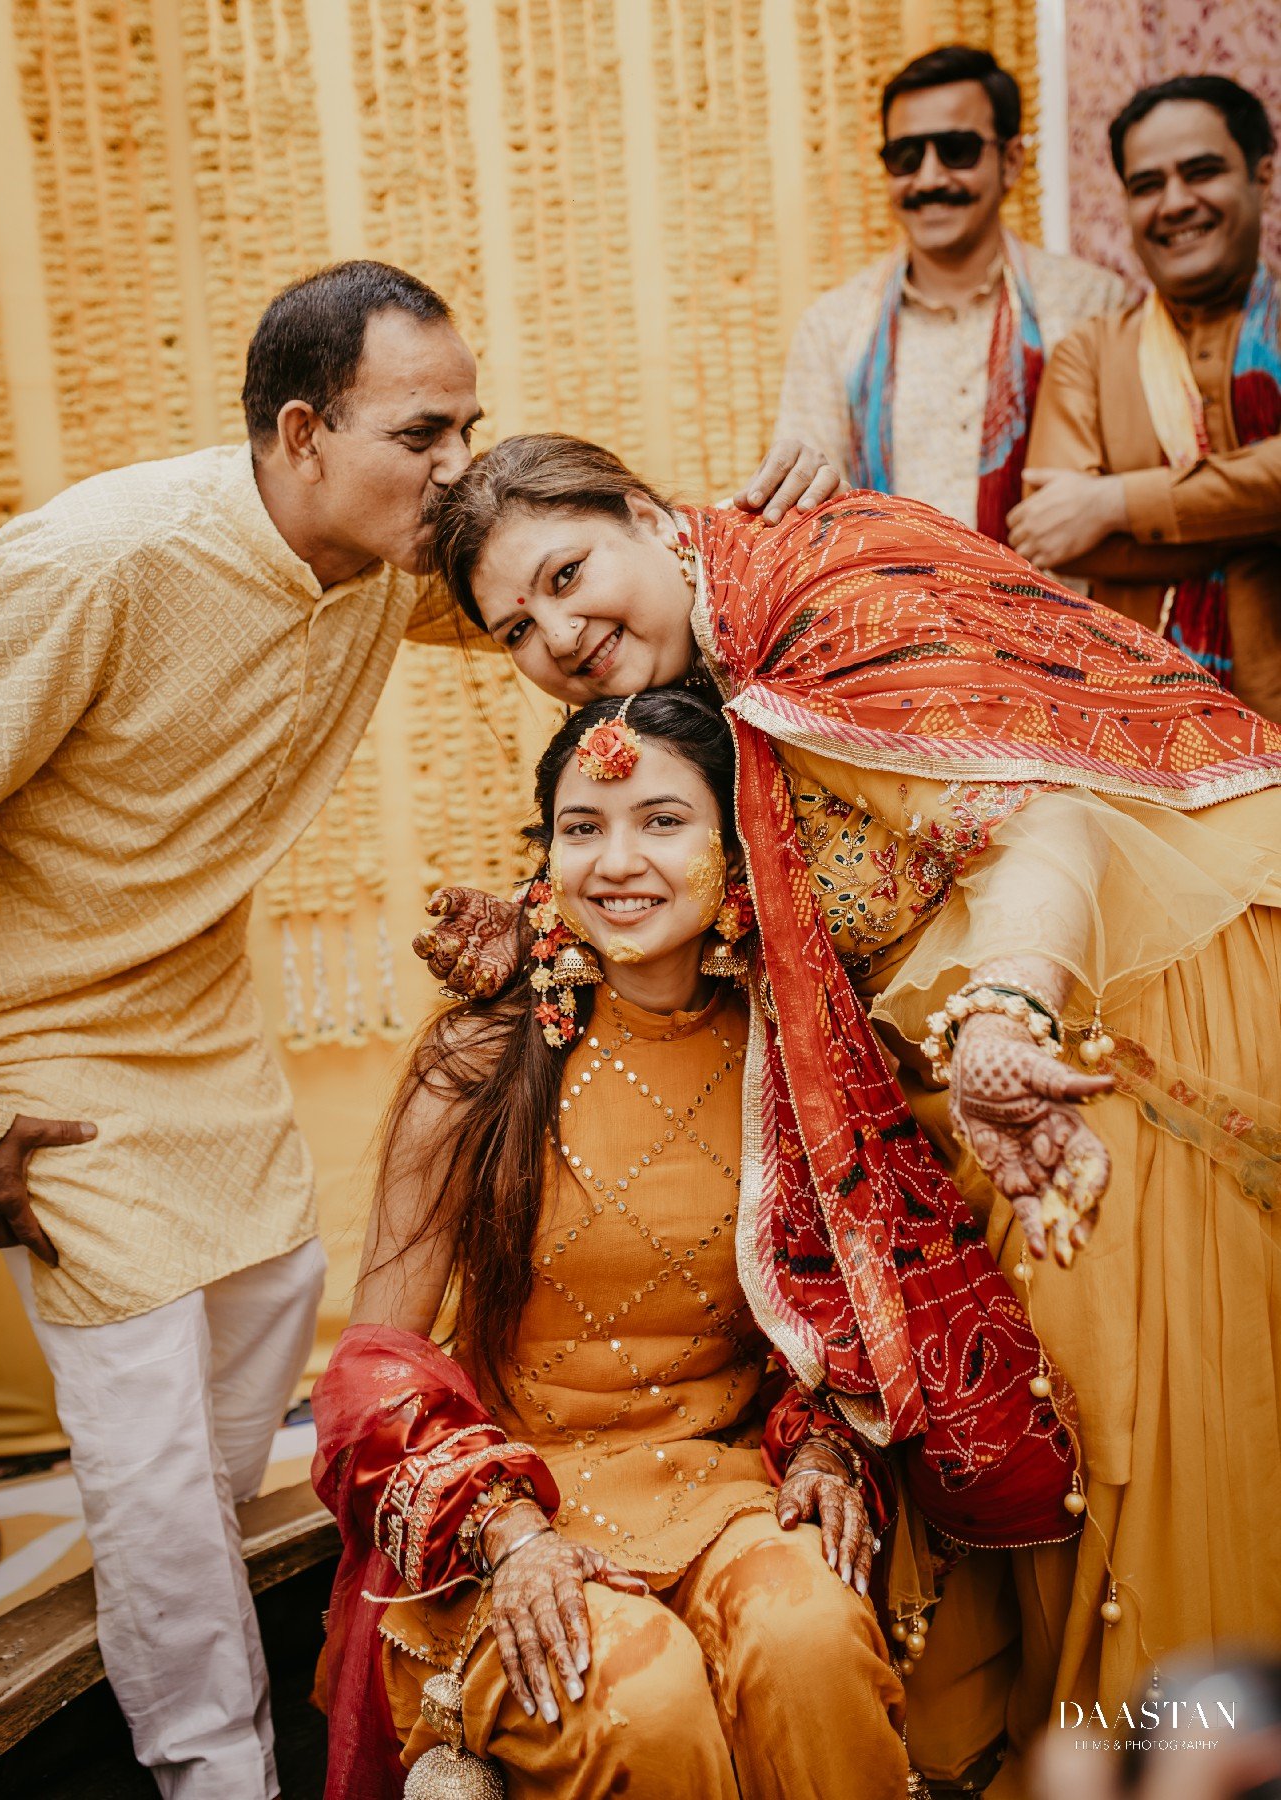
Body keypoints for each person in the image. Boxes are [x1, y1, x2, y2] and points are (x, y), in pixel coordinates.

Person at [0, 246, 836, 1788]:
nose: (458, 467)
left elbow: (571, 587)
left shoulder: (385, 566)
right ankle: (216, 1773)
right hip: (40, 1051)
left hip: (201, 1026)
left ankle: (210, 1675)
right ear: (304, 435)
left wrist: (750, 539)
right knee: (155, 1465)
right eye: (423, 434)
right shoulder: (97, 564)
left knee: (249, 1383)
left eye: (466, 427)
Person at [420, 433, 1281, 1792]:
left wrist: (1002, 1014)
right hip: (1001, 1069)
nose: (559, 637)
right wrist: (542, 925)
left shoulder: (818, 618)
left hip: (1106, 1041)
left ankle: (1163, 1764)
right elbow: (747, 880)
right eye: (515, 628)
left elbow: (1042, 827)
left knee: (1127, 1455)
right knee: (1035, 1452)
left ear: (647, 513)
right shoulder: (726, 659)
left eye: (568, 575)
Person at [314, 687, 1078, 1800]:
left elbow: (845, 1315)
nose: (618, 861)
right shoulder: (474, 1068)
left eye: (663, 821)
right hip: (513, 1505)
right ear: (547, 859)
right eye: (582, 828)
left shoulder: (798, 1060)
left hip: (725, 1488)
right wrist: (507, 1531)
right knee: (647, 1704)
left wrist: (823, 1449)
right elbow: (371, 1370)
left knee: (813, 1648)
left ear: (738, 846)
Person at [1010, 75, 1281, 722]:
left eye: (1202, 171)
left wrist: (1115, 503)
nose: (1176, 202)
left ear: (1262, 175)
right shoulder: (1090, 356)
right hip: (1150, 730)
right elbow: (1060, 538)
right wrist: (1261, 514)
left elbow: (1090, 524)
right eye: (1147, 185)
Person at [773, 45, 1124, 540]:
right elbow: (806, 512)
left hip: (1058, 589)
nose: (930, 178)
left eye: (957, 150)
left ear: (1011, 161)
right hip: (886, 589)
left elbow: (1131, 491)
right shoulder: (833, 329)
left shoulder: (1093, 304)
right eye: (906, 157)